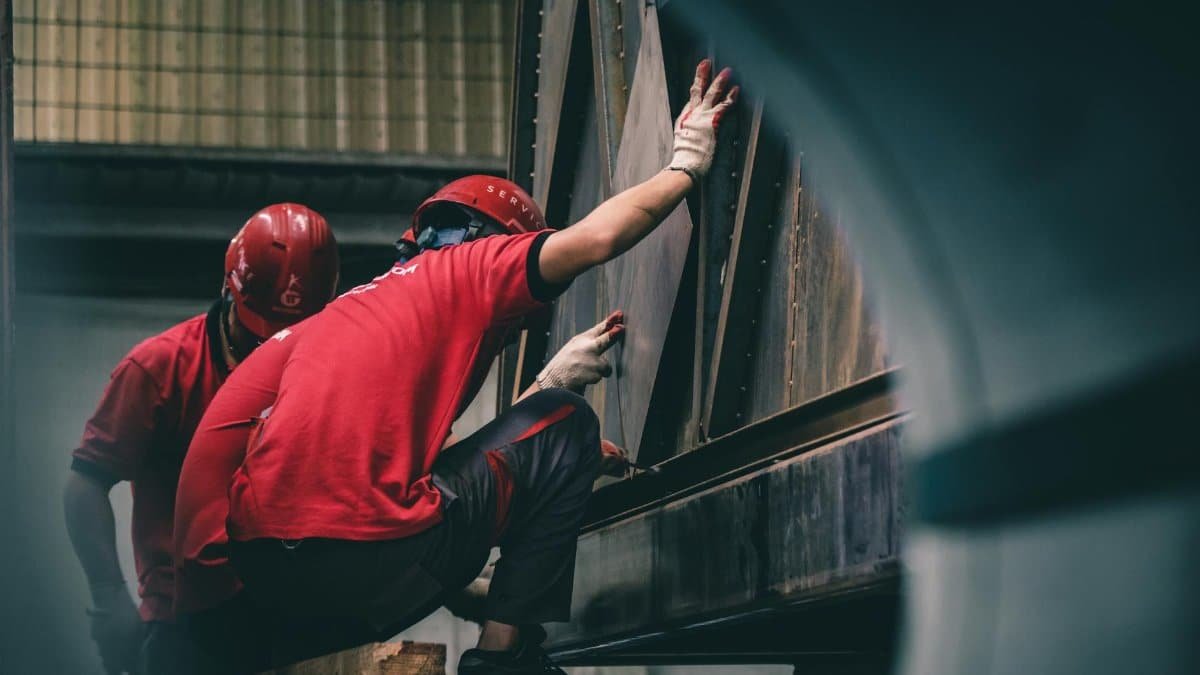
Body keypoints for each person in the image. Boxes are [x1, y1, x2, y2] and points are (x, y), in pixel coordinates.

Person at [225, 60, 736, 674]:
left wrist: (541, 400)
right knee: (569, 422)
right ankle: (503, 659)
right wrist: (685, 165)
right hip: (364, 558)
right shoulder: (473, 267)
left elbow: (406, 471)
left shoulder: (351, 308)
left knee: (524, 439)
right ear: (500, 241)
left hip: (267, 581)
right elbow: (597, 240)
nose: (523, 322)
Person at [173, 310, 628, 671]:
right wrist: (551, 390)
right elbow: (439, 481)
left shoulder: (332, 335)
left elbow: (421, 473)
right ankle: (501, 658)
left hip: (244, 605)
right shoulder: (394, 334)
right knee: (564, 422)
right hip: (250, 593)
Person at [62, 204, 340, 675]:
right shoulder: (159, 371)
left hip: (288, 617)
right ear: (229, 288)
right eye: (259, 337)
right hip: (183, 624)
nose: (269, 353)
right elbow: (85, 484)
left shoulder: (323, 373)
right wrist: (109, 595)